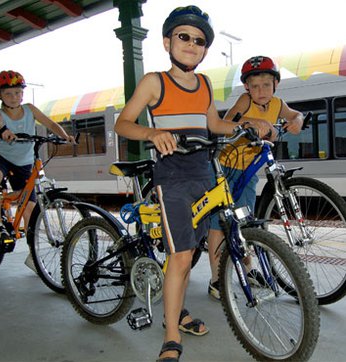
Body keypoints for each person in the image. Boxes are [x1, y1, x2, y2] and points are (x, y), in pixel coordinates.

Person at [114, 7, 272, 362]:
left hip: (205, 172)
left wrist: (246, 124)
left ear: (204, 49)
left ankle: (177, 311)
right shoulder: (155, 81)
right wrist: (153, 132)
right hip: (172, 176)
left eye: (199, 40)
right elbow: (123, 123)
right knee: (181, 255)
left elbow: (214, 124)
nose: (191, 44)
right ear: (168, 41)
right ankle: (171, 335)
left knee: (190, 254)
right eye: (183, 36)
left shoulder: (203, 84)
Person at [207, 55, 304, 300]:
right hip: (226, 166)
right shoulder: (244, 100)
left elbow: (295, 115)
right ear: (247, 87)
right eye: (255, 86)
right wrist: (253, 121)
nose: (261, 91)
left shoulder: (278, 103)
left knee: (245, 221)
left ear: (275, 85)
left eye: (266, 85)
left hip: (249, 171)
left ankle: (249, 270)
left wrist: (297, 121)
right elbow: (224, 123)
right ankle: (216, 279)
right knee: (219, 223)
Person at [0, 70, 75, 248]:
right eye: (8, 93)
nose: (14, 97)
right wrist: (4, 132)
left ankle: (33, 255)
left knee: (30, 209)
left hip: (25, 162)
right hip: (3, 157)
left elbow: (49, 123)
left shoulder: (30, 109)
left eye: (17, 92)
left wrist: (64, 136)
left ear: (23, 93)